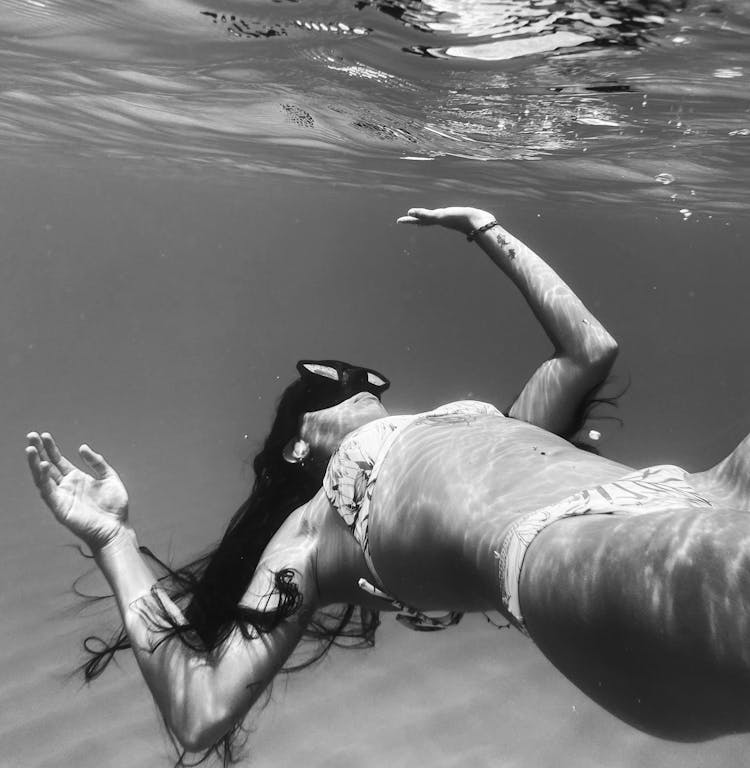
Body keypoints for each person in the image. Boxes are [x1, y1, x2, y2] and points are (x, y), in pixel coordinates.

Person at [25, 206, 750, 763]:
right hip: (578, 557)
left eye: (365, 377)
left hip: (694, 493)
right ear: (299, 438)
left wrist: (485, 230)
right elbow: (200, 713)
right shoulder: (307, 535)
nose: (363, 378)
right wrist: (113, 538)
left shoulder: (496, 426)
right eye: (330, 382)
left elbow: (589, 348)